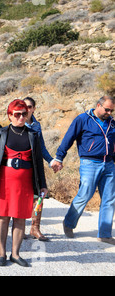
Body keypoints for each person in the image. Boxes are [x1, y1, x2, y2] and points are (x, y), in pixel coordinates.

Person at [0, 99, 48, 267]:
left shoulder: (33, 134)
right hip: (3, 181)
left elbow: (38, 162)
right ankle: (2, 253)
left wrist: (43, 185)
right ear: (9, 115)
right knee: (2, 217)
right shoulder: (1, 133)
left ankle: (16, 254)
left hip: (25, 183)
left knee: (19, 218)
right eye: (17, 114)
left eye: (24, 114)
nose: (21, 117)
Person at [51, 96, 115, 245]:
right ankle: (69, 223)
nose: (109, 112)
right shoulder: (83, 119)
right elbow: (68, 138)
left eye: (111, 110)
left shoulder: (112, 123)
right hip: (90, 163)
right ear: (98, 105)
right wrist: (59, 157)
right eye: (106, 109)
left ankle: (105, 234)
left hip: (109, 164)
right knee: (85, 195)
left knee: (109, 199)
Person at [23, 97, 53, 241]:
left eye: (30, 107)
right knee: (21, 198)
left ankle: (35, 228)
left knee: (39, 197)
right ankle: (19, 228)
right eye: (24, 106)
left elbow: (42, 148)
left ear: (34, 108)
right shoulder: (17, 124)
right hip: (22, 167)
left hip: (36, 167)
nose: (27, 109)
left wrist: (51, 160)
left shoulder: (37, 126)